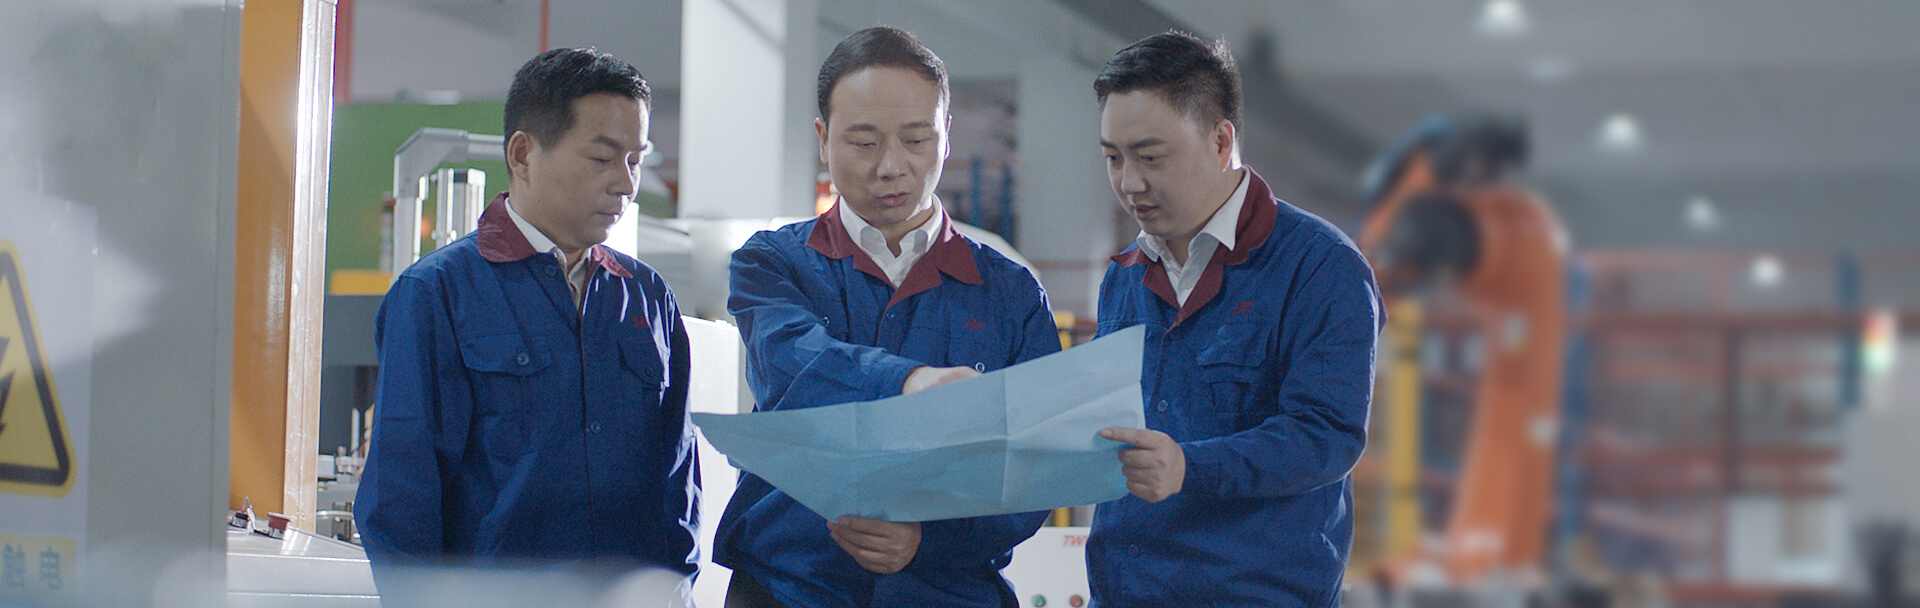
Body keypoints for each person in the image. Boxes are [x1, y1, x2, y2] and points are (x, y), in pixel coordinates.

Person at [712, 26, 1058, 608]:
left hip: (948, 593)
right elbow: (791, 362)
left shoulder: (1010, 292)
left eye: (916, 140)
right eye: (864, 142)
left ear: (945, 136)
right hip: (792, 588)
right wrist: (909, 383)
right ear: (824, 140)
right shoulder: (772, 263)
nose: (892, 166)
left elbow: (1038, 466)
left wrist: (930, 540)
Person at [354, 48, 698, 606]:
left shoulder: (648, 296)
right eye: (602, 157)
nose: (626, 184)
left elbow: (677, 482)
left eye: (635, 160)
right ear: (522, 154)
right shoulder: (438, 293)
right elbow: (401, 502)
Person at [1087, 31, 1383, 607]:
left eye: (1150, 157)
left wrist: (1188, 466)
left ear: (1221, 141)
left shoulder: (1321, 268)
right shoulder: (1124, 276)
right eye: (1113, 158)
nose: (1129, 182)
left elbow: (1325, 435)